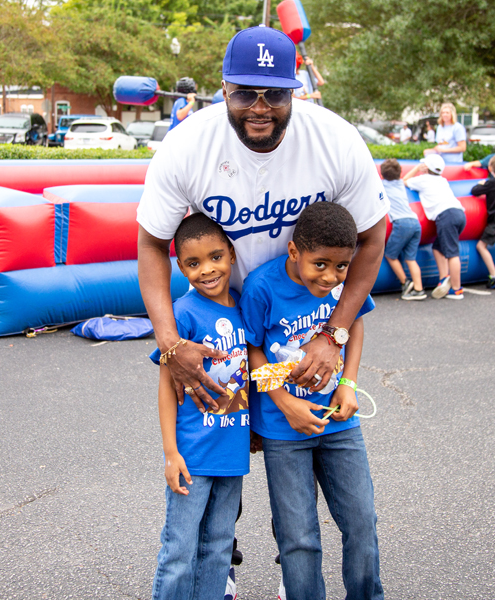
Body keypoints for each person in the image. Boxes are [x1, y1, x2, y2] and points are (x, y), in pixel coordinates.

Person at [137, 26, 388, 597]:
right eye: (244, 92)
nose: (259, 108)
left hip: (305, 312)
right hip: (230, 325)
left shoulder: (335, 141)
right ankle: (218, 568)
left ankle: (290, 577)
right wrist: (172, 344)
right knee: (222, 441)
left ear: (295, 90)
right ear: (222, 88)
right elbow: (150, 242)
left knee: (309, 490)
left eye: (275, 94)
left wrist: (336, 335)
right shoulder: (186, 146)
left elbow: (373, 236)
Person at [240, 201, 383, 600]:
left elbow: (354, 326)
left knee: (361, 522)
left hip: (340, 424)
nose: (331, 276)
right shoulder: (261, 287)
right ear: (294, 252)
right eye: (320, 264)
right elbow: (251, 350)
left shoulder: (342, 285)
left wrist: (349, 384)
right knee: (298, 536)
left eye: (341, 266)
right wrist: (285, 402)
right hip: (283, 430)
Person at [149, 213, 249, 600]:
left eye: (215, 258)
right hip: (191, 455)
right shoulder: (182, 315)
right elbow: (164, 387)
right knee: (179, 550)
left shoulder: (243, 308)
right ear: (180, 267)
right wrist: (171, 453)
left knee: (219, 548)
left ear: (231, 255)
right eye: (193, 263)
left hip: (233, 453)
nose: (207, 270)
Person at [403, 154, 466, 299]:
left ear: (426, 167)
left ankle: (456, 289)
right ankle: (444, 279)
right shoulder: (442, 180)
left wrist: (417, 168)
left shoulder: (423, 179)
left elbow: (404, 181)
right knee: (437, 248)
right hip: (459, 214)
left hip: (446, 216)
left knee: (452, 253)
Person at [380, 159, 426, 300]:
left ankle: (405, 282)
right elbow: (407, 177)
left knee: (390, 254)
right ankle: (419, 289)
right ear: (399, 172)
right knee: (410, 258)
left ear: (382, 174)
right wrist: (417, 167)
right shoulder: (400, 183)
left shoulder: (382, 185)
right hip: (415, 222)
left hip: (402, 223)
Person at [470, 155, 495, 288]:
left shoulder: (491, 183)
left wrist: (481, 183)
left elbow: (475, 191)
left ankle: (493, 275)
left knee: (481, 246)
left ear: (490, 169)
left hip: (493, 224)